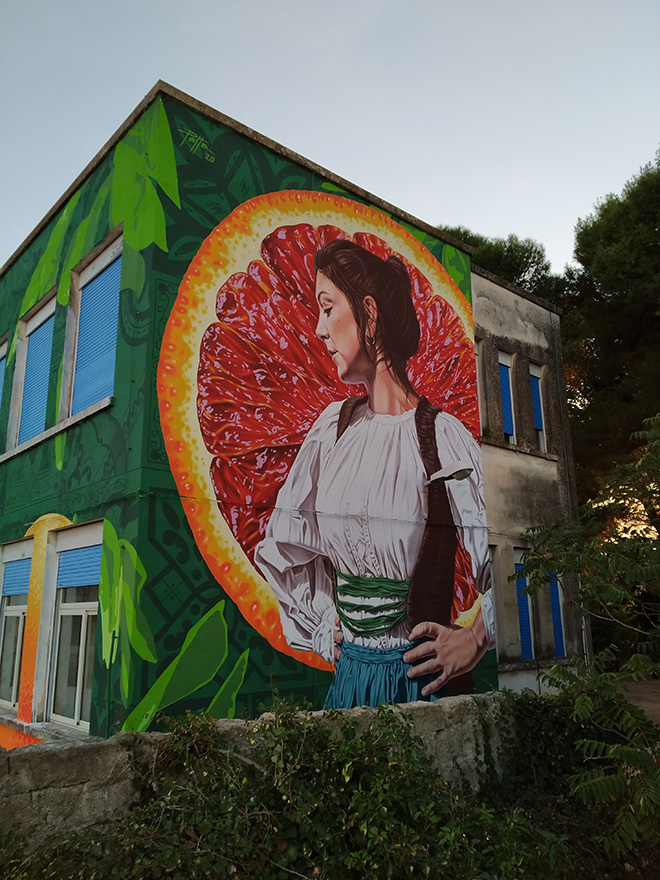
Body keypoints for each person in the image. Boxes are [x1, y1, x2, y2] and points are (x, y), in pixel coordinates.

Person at [254, 239, 495, 708]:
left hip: (420, 687)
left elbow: (509, 563)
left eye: (328, 309)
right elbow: (283, 546)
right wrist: (324, 623)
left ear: (368, 312)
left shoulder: (443, 439)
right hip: (349, 683)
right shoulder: (332, 429)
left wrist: (472, 640)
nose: (320, 329)